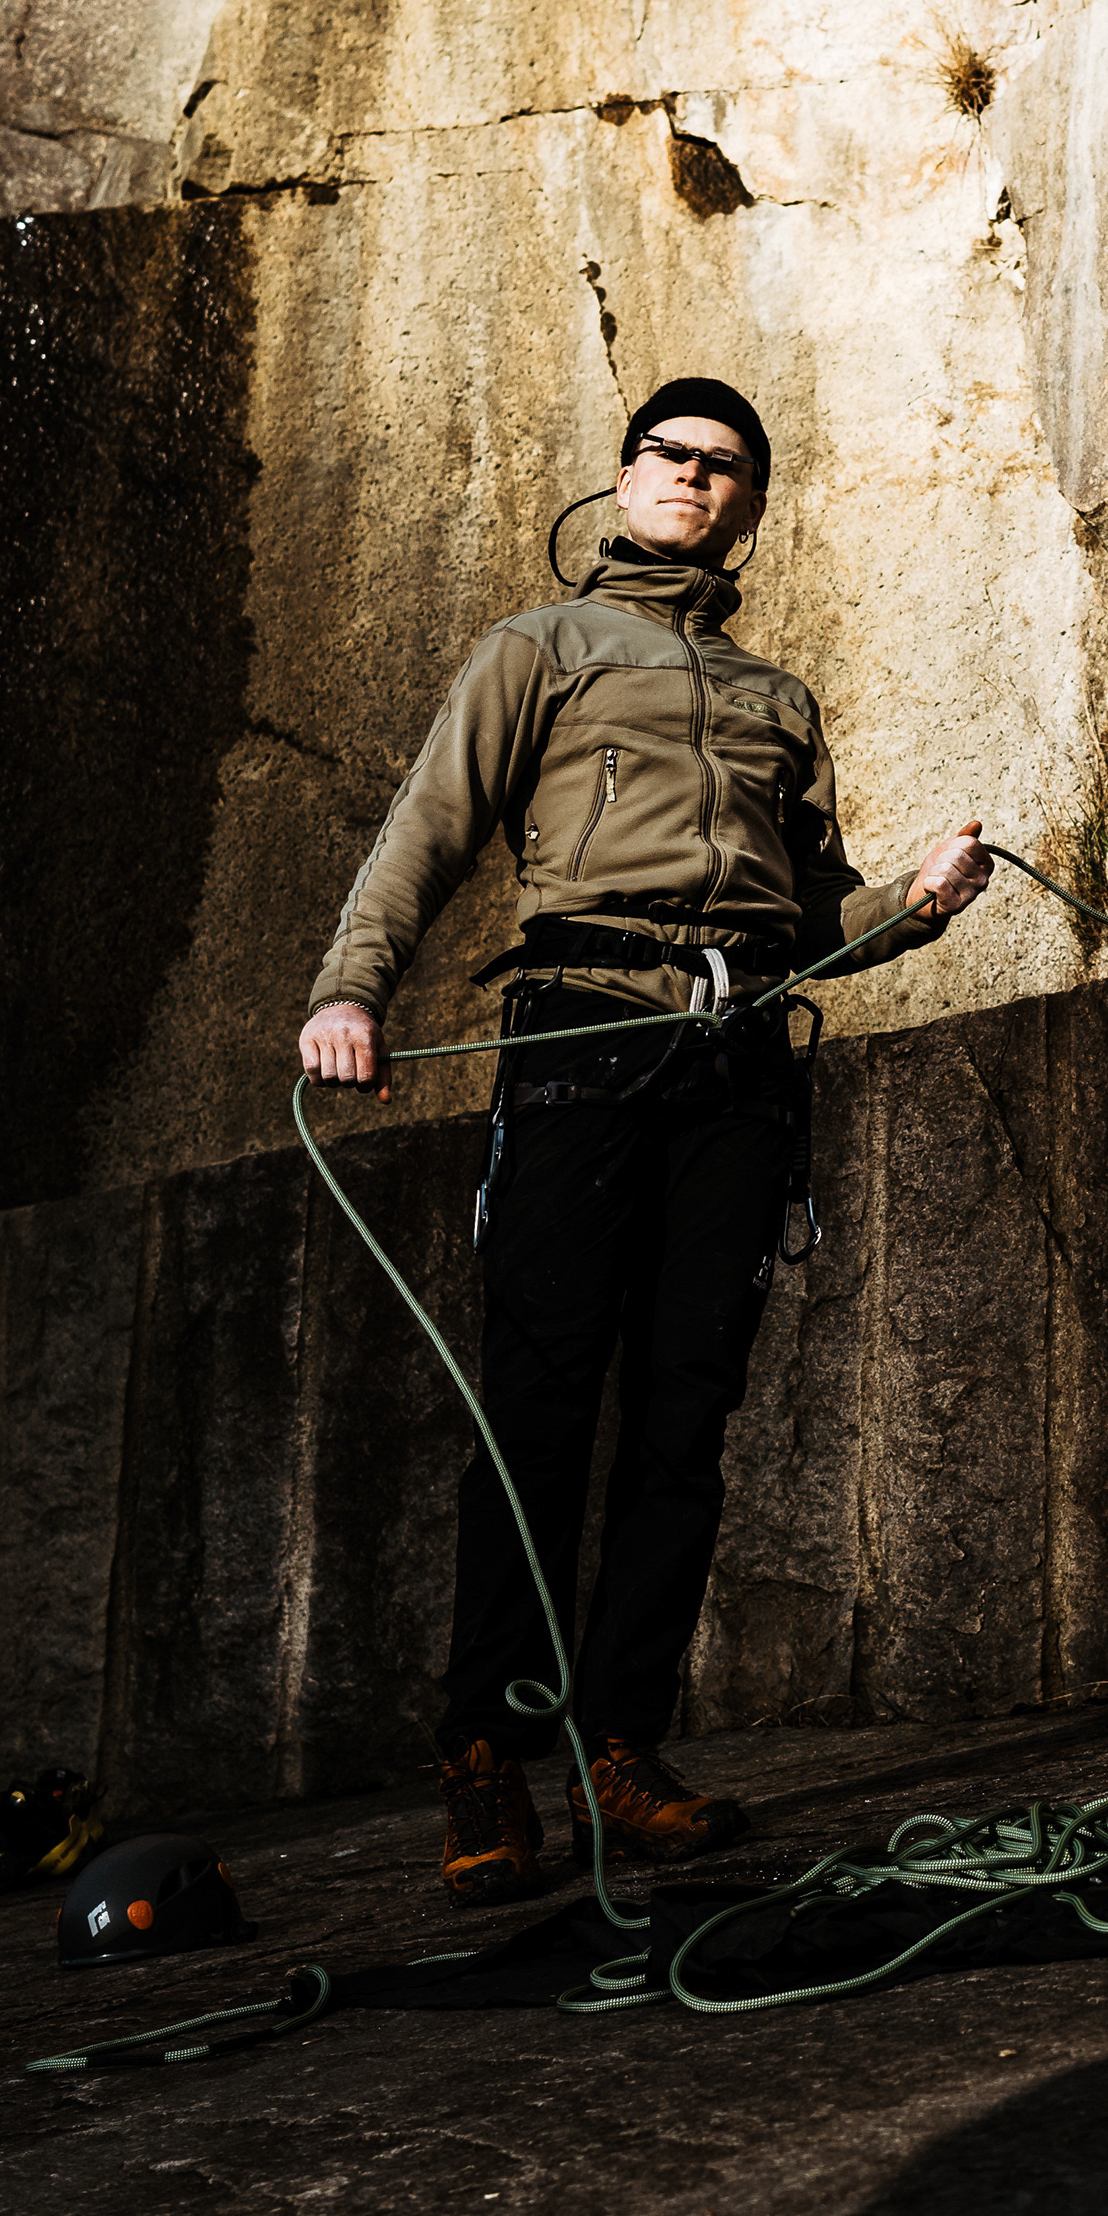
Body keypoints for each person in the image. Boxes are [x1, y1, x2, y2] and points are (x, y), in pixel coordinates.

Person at [298, 378, 993, 1902]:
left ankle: (619, 1748)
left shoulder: (776, 699)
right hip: (579, 1040)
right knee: (537, 1410)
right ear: (622, 479)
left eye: (723, 466)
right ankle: (484, 1757)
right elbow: (429, 827)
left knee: (689, 1419)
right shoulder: (539, 647)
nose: (692, 477)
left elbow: (813, 919)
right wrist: (353, 989)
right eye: (668, 455)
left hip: (736, 1065)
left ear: (751, 504)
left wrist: (916, 903)